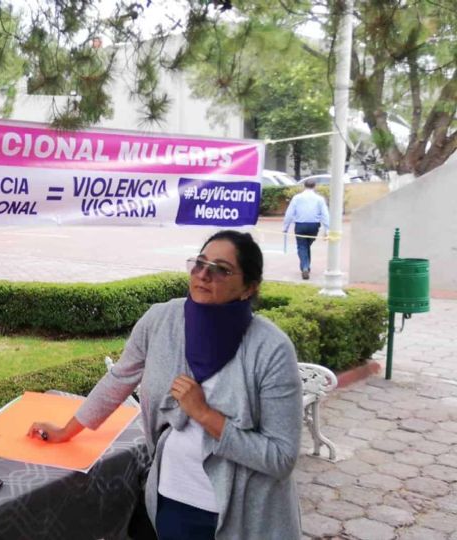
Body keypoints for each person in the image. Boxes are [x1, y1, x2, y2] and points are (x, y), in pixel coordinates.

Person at [28, 231, 302, 540]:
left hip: (245, 514)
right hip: (174, 499)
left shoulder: (271, 349)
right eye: (200, 263)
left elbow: (281, 458)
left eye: (221, 269)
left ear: (249, 288)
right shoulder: (161, 320)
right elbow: (118, 379)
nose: (203, 275)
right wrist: (66, 430)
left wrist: (205, 415)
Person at [282, 179, 330, 279]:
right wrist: (327, 229)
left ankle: (305, 267)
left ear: (304, 186)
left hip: (300, 225)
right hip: (314, 226)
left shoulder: (297, 198)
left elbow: (289, 213)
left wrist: (285, 227)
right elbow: (325, 215)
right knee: (306, 245)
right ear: (315, 186)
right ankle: (306, 266)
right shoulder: (319, 199)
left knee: (302, 246)